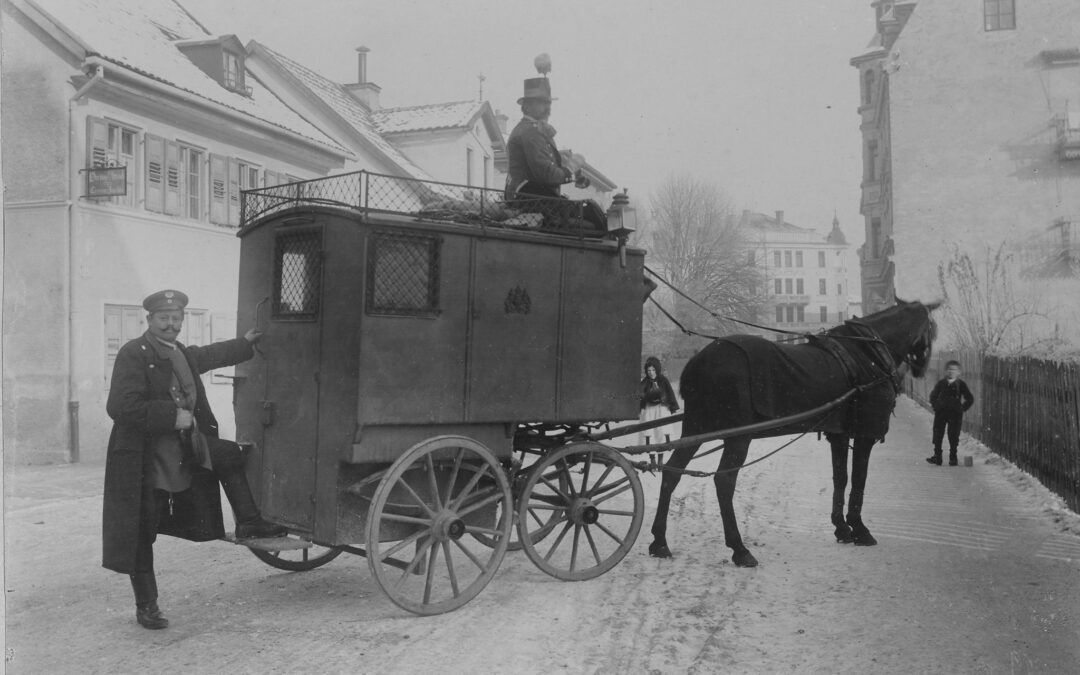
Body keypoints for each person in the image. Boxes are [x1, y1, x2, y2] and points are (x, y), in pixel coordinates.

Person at [102, 289, 287, 630]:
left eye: (176, 319)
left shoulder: (180, 352)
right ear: (150, 320)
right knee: (142, 528)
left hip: (184, 447)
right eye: (164, 319)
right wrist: (172, 416)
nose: (171, 325)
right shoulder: (134, 353)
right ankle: (147, 606)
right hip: (146, 457)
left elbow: (208, 355)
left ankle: (249, 521)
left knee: (229, 454)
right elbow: (120, 406)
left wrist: (244, 343)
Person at [504, 76, 604, 231]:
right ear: (527, 106)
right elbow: (545, 174)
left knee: (589, 213)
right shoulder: (530, 132)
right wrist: (569, 170)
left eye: (547, 103)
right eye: (541, 103)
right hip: (528, 196)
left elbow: (544, 165)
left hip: (531, 195)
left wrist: (566, 166)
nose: (547, 107)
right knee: (592, 216)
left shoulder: (533, 130)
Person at [925, 359, 975, 466]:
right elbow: (933, 396)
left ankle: (953, 457)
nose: (951, 371)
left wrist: (961, 408)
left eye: (954, 369)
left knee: (953, 435)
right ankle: (937, 456)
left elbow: (969, 398)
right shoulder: (941, 383)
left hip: (955, 414)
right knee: (938, 434)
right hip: (941, 413)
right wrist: (937, 406)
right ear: (946, 371)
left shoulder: (960, 384)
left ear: (959, 372)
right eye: (949, 369)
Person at [639, 356, 680, 446]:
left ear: (657, 369)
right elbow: (640, 395)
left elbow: (670, 393)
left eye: (653, 370)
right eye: (649, 370)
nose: (651, 373)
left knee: (662, 430)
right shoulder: (645, 382)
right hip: (649, 410)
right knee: (649, 432)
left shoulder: (663, 380)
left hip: (662, 409)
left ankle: (661, 457)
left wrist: (672, 406)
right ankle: (652, 457)